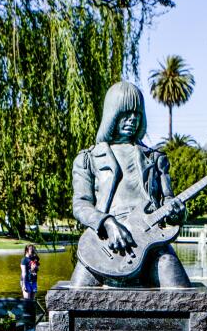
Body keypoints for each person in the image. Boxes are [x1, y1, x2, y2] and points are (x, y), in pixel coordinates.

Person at [69, 81, 189, 288]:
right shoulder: (88, 159)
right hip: (103, 243)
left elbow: (168, 199)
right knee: (73, 296)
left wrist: (177, 212)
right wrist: (107, 222)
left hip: (152, 244)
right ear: (112, 115)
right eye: (125, 113)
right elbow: (81, 205)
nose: (132, 119)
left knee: (180, 291)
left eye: (137, 113)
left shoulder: (155, 158)